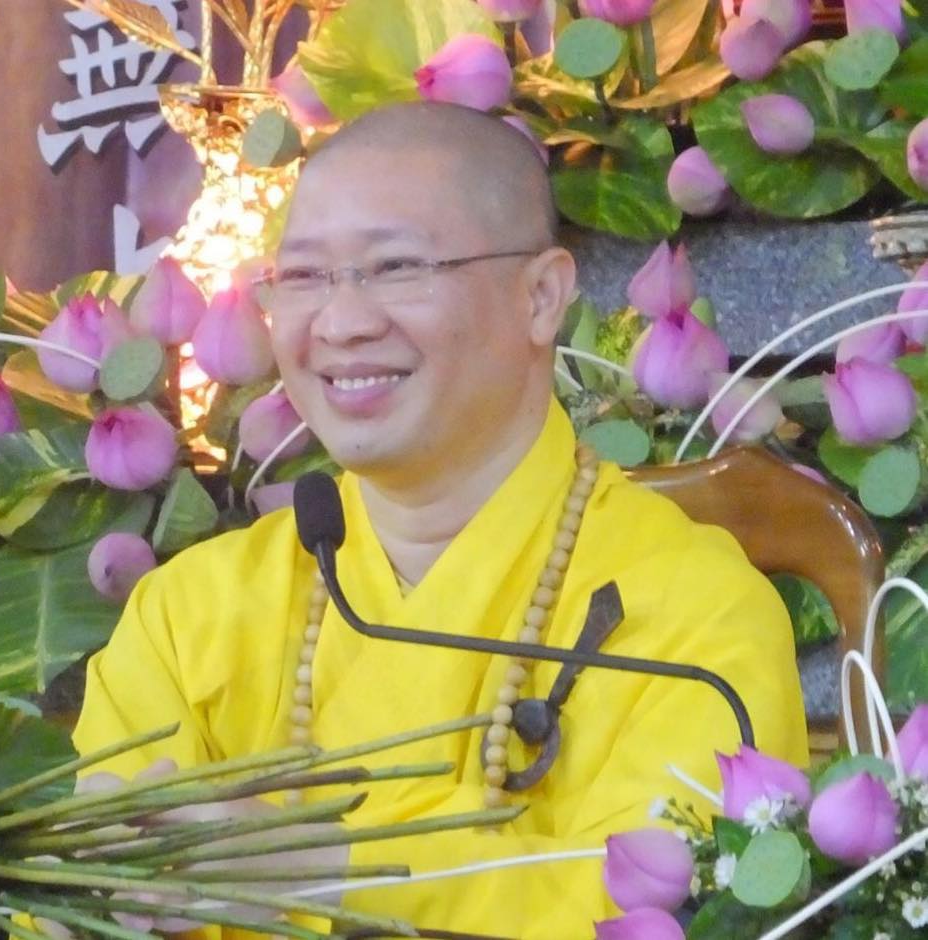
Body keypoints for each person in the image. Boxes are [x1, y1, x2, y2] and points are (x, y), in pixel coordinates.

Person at [74, 102, 808, 939]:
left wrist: (334, 869)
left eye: (396, 267)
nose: (342, 323)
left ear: (541, 297)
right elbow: (95, 896)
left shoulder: (697, 619)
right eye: (304, 276)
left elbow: (676, 910)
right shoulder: (187, 616)